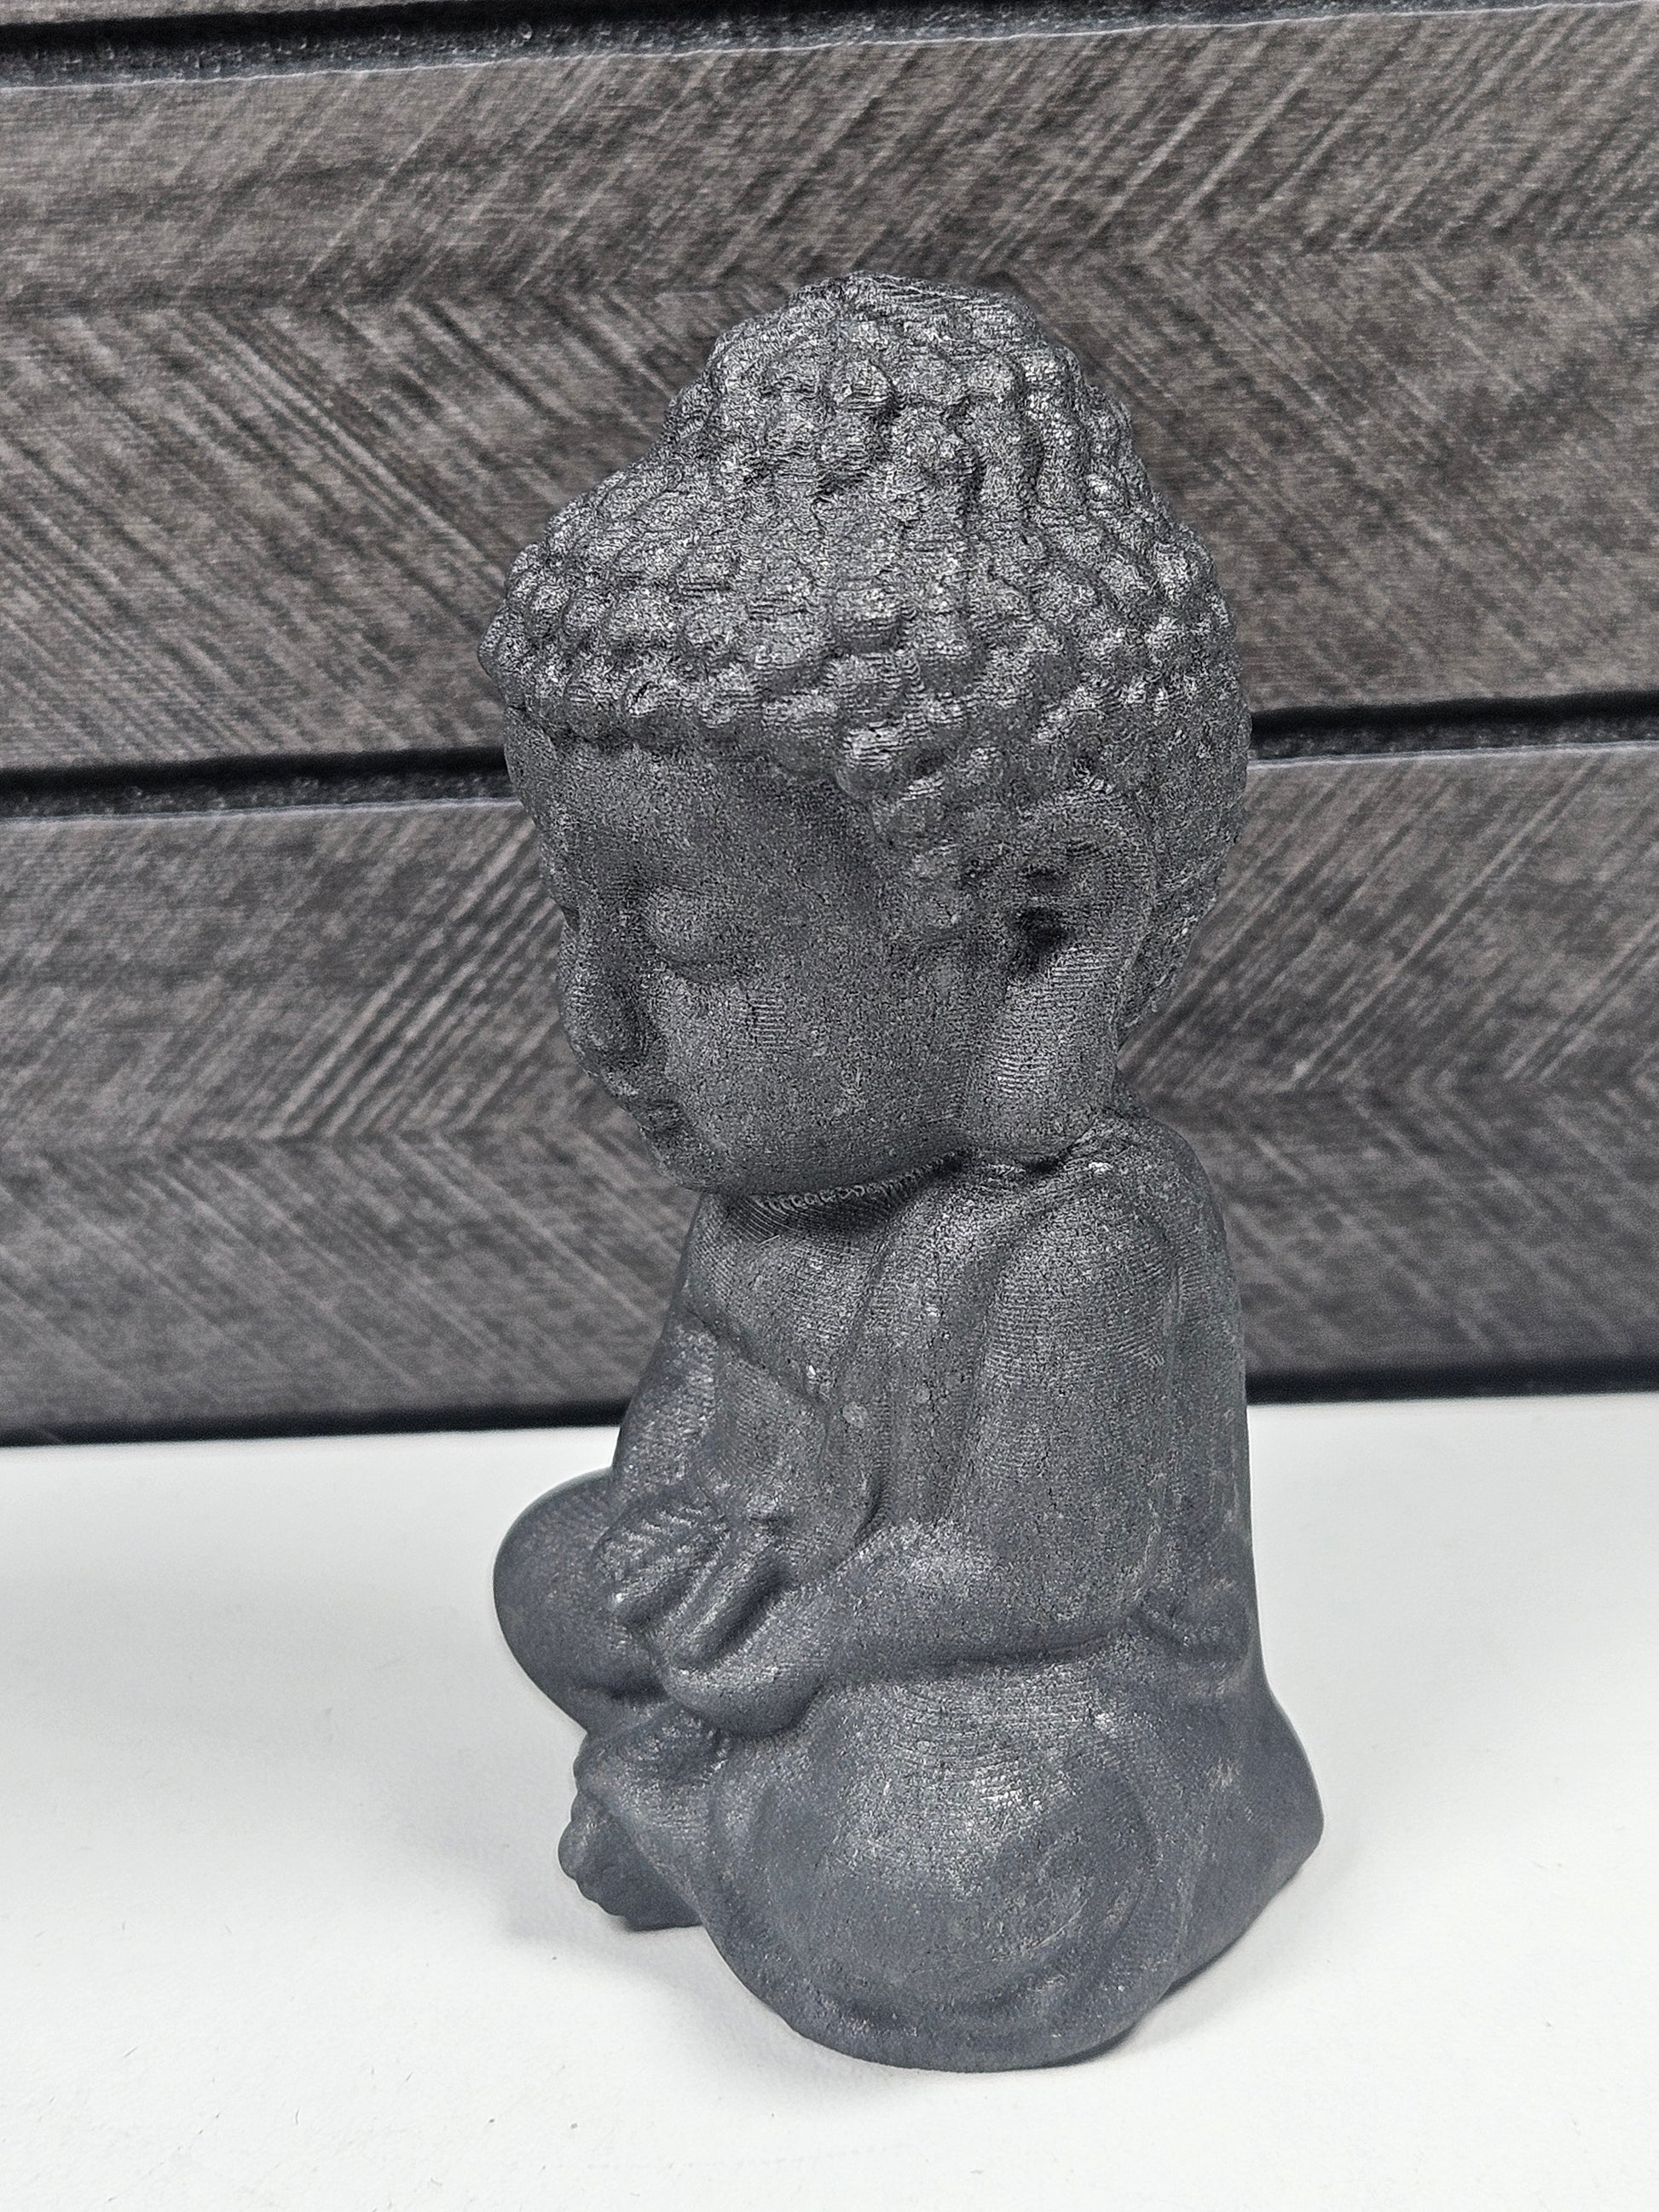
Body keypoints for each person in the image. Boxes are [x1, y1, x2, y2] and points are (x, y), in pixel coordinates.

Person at [481, 272, 1321, 2070]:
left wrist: (802, 1639)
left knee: (952, 1856)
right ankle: (738, 1812)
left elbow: (1034, 1572)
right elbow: (688, 1424)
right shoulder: (764, 1210)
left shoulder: (1078, 1241)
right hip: (802, 1621)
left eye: (688, 945)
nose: (599, 1023)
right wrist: (681, 1535)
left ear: (1041, 936)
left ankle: (698, 1813)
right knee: (547, 1567)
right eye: (574, 917)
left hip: (1053, 1706)